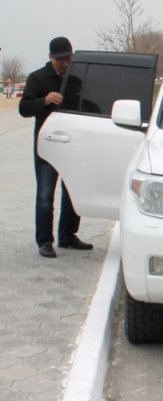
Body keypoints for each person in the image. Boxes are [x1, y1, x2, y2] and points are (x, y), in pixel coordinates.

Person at [19, 37, 93, 258]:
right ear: (50, 57)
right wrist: (44, 100)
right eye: (61, 59)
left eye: (68, 58)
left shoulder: (76, 79)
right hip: (47, 146)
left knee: (71, 193)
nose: (65, 63)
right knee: (44, 196)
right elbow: (23, 108)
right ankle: (44, 242)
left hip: (72, 146)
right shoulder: (37, 78)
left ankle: (67, 236)